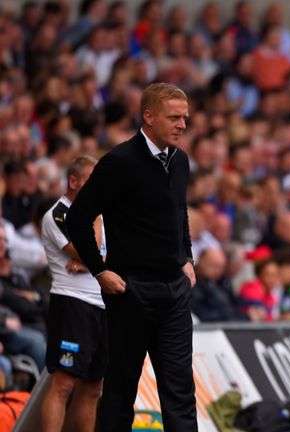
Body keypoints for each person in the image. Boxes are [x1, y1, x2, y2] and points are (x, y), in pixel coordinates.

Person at [66, 82, 197, 431]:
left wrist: (187, 257)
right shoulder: (119, 162)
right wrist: (99, 271)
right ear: (149, 116)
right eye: (174, 117)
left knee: (181, 390)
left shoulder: (180, 161)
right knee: (121, 389)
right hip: (130, 290)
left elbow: (179, 212)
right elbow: (78, 218)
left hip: (174, 291)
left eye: (185, 117)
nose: (182, 125)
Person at [40, 155, 106, 432]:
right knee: (64, 383)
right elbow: (89, 252)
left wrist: (92, 261)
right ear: (73, 181)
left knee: (93, 387)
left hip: (103, 305)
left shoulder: (99, 215)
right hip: (72, 303)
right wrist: (91, 259)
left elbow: (107, 257)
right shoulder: (58, 215)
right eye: (93, 181)